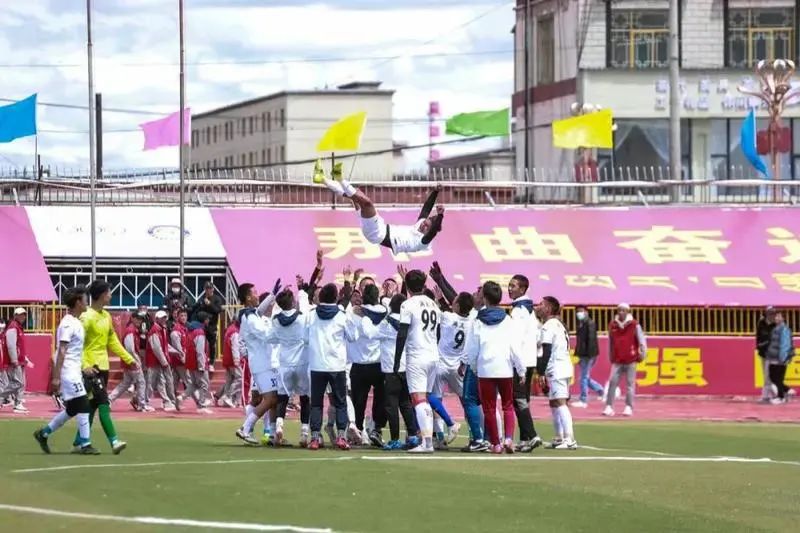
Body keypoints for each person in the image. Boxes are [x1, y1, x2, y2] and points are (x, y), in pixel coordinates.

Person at [314, 160, 445, 255]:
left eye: (426, 227)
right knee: (355, 196)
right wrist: (435, 191)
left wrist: (440, 215)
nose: (423, 225)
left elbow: (433, 231)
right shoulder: (420, 224)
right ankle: (322, 179)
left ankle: (339, 177)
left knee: (367, 203)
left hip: (378, 234)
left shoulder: (423, 241)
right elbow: (426, 209)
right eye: (425, 222)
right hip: (380, 227)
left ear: (429, 232)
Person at [74, 280, 139, 454]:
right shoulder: (86, 317)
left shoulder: (106, 316)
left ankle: (78, 441)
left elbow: (112, 341)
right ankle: (114, 441)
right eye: (109, 292)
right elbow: (77, 344)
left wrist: (128, 358)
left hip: (103, 367)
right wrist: (84, 365)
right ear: (102, 295)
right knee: (103, 403)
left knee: (91, 405)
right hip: (91, 368)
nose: (111, 296)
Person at [33, 286, 100, 455]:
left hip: (74, 370)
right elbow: (62, 350)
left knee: (72, 409)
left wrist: (83, 368)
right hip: (68, 371)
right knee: (84, 405)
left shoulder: (76, 321)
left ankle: (43, 433)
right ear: (78, 302)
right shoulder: (68, 324)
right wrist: (56, 378)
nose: (87, 302)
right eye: (85, 299)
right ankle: (85, 444)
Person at [429, 262, 486, 452]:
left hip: (440, 364)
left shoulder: (447, 316)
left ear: (457, 305)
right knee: (468, 402)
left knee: (433, 399)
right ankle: (476, 436)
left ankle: (441, 436)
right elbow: (454, 303)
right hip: (459, 367)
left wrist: (438, 298)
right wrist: (442, 282)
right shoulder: (472, 319)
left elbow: (447, 309)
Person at [467, 281, 526, 454]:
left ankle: (496, 444)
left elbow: (472, 349)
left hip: (485, 369)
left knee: (489, 408)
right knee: (508, 405)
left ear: (485, 298)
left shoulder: (477, 321)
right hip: (505, 368)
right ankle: (508, 438)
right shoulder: (508, 320)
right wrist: (521, 370)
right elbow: (515, 347)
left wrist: (473, 367)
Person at [306, 283, 359, 450]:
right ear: (336, 297)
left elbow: (304, 338)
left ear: (320, 297)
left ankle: (315, 437)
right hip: (337, 365)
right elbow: (353, 337)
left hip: (317, 365)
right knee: (341, 402)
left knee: (316, 403)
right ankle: (341, 436)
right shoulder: (342, 316)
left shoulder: (311, 315)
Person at [394, 269, 440, 453]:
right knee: (424, 398)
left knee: (418, 399)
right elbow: (438, 333)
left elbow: (402, 333)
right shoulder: (433, 303)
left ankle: (427, 442)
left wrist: (397, 360)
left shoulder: (407, 304)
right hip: (433, 355)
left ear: (407, 286)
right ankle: (427, 439)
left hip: (417, 356)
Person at [235, 281, 281, 445]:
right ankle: (245, 428)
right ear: (248, 298)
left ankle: (273, 435)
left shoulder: (251, 313)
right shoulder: (251, 318)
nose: (257, 295)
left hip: (264, 363)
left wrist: (272, 295)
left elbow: (259, 309)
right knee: (270, 399)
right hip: (262, 364)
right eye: (254, 293)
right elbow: (265, 334)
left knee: (274, 398)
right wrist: (282, 331)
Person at [267, 288, 312, 447]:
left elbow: (270, 338)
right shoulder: (301, 317)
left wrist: (282, 338)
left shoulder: (275, 320)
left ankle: (279, 426)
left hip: (284, 363)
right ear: (293, 301)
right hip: (301, 362)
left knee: (282, 398)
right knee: (305, 398)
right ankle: (304, 434)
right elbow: (308, 331)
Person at [347, 284, 389, 448]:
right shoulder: (385, 312)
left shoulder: (356, 312)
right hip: (379, 364)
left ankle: (358, 430)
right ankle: (376, 430)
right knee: (381, 399)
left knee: (359, 401)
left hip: (359, 364)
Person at [535, 296, 578, 449]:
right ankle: (559, 437)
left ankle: (570, 439)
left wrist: (540, 372)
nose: (538, 306)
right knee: (554, 402)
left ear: (548, 308)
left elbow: (546, 350)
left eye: (541, 304)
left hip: (557, 367)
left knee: (560, 402)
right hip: (562, 366)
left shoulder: (549, 325)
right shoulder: (558, 324)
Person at [507, 274, 543, 452]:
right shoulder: (530, 310)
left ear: (522, 289)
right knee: (522, 399)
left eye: (513, 286)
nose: (509, 288)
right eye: (509, 285)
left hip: (520, 361)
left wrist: (517, 364)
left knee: (518, 399)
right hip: (530, 359)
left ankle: (533, 435)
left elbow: (514, 340)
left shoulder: (519, 311)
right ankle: (523, 439)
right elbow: (537, 336)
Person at [378, 294, 419, 450]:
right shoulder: (408, 323)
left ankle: (395, 438)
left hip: (391, 369)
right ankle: (413, 436)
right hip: (406, 367)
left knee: (391, 405)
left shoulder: (385, 323)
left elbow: (371, 333)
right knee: (406, 403)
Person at [603, 303, 647, 418]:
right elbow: (611, 342)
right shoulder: (613, 325)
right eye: (619, 310)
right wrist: (611, 356)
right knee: (612, 382)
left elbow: (641, 341)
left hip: (631, 359)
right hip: (617, 359)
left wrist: (642, 354)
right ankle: (609, 406)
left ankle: (628, 406)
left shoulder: (634, 324)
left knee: (630, 384)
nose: (621, 312)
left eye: (624, 310)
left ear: (628, 312)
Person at [108, 311, 150, 412]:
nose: (139, 321)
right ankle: (141, 404)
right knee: (141, 382)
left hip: (129, 362)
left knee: (125, 383)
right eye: (138, 318)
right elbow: (130, 349)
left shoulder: (134, 330)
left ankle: (109, 399)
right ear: (132, 318)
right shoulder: (130, 331)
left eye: (141, 319)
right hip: (132, 362)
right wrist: (136, 361)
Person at [145, 310, 177, 412]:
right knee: (151, 382)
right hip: (153, 361)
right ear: (157, 319)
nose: (164, 320)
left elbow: (164, 345)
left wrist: (175, 352)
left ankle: (166, 401)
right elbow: (156, 348)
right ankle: (144, 401)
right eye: (162, 318)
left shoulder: (162, 329)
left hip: (158, 361)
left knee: (160, 382)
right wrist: (164, 362)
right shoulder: (155, 330)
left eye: (165, 318)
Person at [572, 305, 603, 408]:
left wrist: (589, 355)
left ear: (586, 312)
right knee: (585, 377)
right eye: (577, 311)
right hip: (583, 354)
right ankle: (601, 390)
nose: (579, 313)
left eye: (581, 311)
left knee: (583, 378)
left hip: (588, 354)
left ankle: (583, 400)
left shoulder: (590, 323)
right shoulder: (581, 324)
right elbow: (580, 341)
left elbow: (591, 340)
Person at [0, 308, 30, 413]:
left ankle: (18, 403)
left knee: (20, 383)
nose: (23, 317)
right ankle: (3, 398)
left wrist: (24, 358)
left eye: (24, 315)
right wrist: (14, 359)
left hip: (19, 360)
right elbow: (11, 345)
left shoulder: (18, 327)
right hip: (14, 361)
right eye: (20, 315)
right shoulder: (13, 327)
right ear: (15, 315)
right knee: (18, 383)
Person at [185, 312, 214, 414]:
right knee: (204, 384)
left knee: (194, 384)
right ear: (204, 320)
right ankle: (202, 405)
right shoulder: (199, 332)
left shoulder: (191, 330)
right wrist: (201, 365)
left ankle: (182, 397)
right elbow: (200, 350)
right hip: (198, 363)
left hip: (190, 362)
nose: (208, 321)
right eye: (207, 319)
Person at [191, 281, 224, 366]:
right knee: (201, 343)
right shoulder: (202, 298)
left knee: (212, 344)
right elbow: (195, 309)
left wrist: (209, 304)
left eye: (210, 288)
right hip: (202, 325)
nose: (208, 290)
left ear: (213, 289)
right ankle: (202, 361)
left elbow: (218, 310)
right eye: (206, 288)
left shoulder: (217, 298)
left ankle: (212, 362)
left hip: (212, 325)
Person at [765, 312, 795, 405]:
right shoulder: (775, 328)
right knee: (773, 377)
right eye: (776, 316)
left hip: (780, 358)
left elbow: (785, 344)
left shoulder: (784, 329)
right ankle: (787, 390)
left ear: (783, 318)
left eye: (779, 316)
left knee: (777, 378)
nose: (776, 318)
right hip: (773, 357)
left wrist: (783, 358)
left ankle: (781, 397)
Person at [217, 318, 243, 409]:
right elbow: (235, 346)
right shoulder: (235, 332)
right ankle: (228, 396)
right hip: (233, 359)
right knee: (240, 378)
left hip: (227, 358)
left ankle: (227, 399)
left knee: (229, 380)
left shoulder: (230, 329)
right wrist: (236, 359)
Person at [169, 308, 190, 405]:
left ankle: (171, 401)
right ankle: (200, 403)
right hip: (179, 360)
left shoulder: (184, 328)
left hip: (178, 360)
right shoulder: (176, 330)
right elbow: (177, 346)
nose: (184, 317)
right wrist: (183, 357)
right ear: (177, 317)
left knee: (174, 382)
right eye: (181, 316)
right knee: (190, 382)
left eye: (185, 315)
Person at [756, 306, 778, 402]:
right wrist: (758, 347)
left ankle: (767, 396)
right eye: (770, 313)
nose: (772, 315)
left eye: (773, 313)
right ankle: (770, 395)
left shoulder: (777, 324)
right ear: (766, 314)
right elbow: (758, 336)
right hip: (763, 352)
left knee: (768, 375)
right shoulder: (761, 323)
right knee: (766, 375)